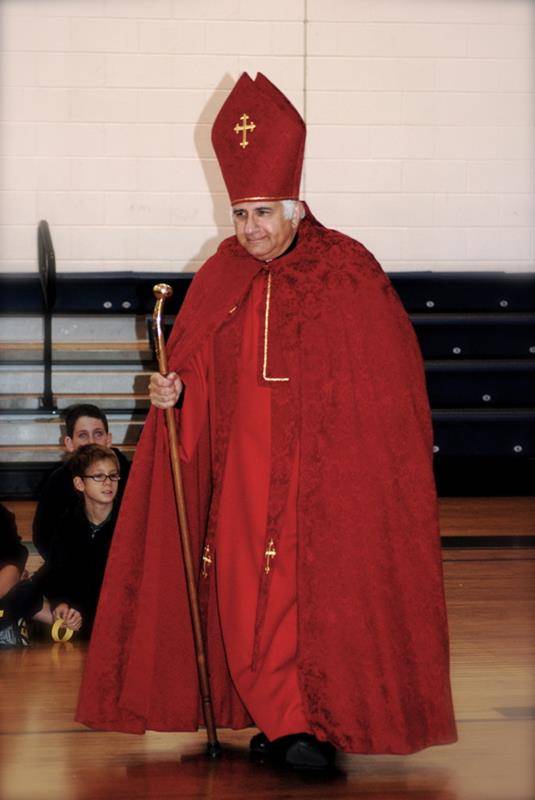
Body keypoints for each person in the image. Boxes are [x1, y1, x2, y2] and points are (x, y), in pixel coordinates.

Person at [77, 73, 457, 769]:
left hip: (322, 477)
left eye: (261, 213)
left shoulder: (345, 271)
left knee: (304, 595)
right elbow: (200, 370)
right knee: (242, 589)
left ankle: (306, 721)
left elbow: (384, 385)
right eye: (240, 213)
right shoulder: (222, 272)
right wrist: (176, 393)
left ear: (294, 206)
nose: (249, 229)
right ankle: (276, 716)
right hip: (241, 474)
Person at [3, 444, 121, 639]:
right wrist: (61, 604)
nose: (108, 482)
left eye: (113, 475)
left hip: (111, 611)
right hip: (77, 609)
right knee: (21, 593)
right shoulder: (68, 523)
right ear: (79, 484)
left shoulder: (127, 524)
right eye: (98, 476)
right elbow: (57, 574)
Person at [33, 404, 130, 559]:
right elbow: (43, 538)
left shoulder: (131, 476)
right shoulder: (57, 481)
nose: (92, 441)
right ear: (69, 443)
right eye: (83, 435)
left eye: (98, 434)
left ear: (108, 439)